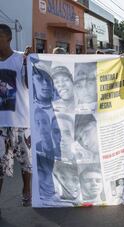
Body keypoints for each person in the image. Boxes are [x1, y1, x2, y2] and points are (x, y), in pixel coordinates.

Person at [0, 24, 32, 213]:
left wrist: (28, 64)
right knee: (0, 165)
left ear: (8, 39)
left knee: (26, 161)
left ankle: (26, 190)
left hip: (21, 121)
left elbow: (29, 85)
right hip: (1, 124)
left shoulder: (21, 59)